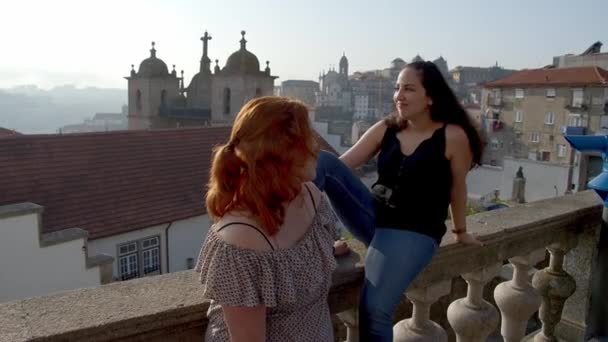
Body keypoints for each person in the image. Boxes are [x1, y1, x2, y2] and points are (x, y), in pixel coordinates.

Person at [314, 61, 484, 341]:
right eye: (397, 88)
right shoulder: (387, 128)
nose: (399, 96)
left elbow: (457, 187)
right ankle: (295, 238)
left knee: (374, 310)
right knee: (323, 161)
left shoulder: (452, 137)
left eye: (408, 89)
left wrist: (460, 231)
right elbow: (340, 167)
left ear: (430, 96)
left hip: (413, 231)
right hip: (374, 216)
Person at [195, 96, 343, 342]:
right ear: (279, 154)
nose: (316, 146)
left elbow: (295, 266)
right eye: (307, 137)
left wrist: (324, 251)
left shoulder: (311, 196)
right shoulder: (240, 240)